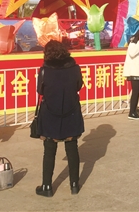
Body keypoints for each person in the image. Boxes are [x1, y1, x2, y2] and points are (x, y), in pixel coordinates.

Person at [35, 40, 85, 197]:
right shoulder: (75, 68)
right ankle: (74, 185)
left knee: (49, 151)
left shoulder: (44, 71)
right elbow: (78, 85)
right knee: (72, 149)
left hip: (50, 113)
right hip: (71, 111)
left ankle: (47, 187)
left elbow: (40, 90)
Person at [123, 28, 139, 121]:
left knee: (137, 93)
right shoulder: (133, 44)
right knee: (135, 93)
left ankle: (134, 111)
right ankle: (132, 112)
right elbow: (132, 54)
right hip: (134, 72)